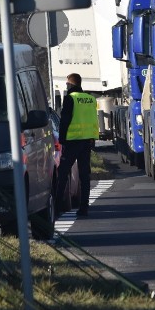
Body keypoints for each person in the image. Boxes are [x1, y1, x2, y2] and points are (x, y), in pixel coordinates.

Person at [57, 73, 99, 216]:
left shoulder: (70, 99)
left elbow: (65, 121)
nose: (66, 86)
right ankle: (84, 208)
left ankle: (56, 207)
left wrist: (61, 139)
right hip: (86, 142)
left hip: (72, 142)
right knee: (84, 176)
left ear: (71, 84)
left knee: (62, 174)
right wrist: (93, 138)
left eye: (67, 83)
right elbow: (93, 120)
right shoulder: (90, 99)